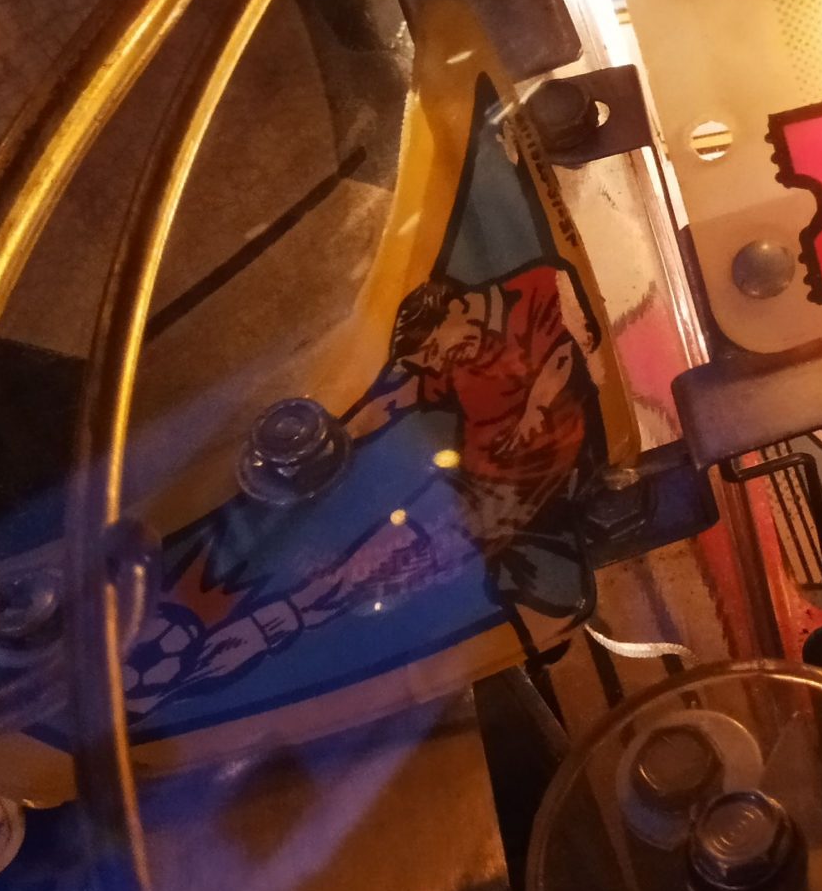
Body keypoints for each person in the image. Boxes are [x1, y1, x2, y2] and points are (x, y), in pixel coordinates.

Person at [124, 262, 602, 717]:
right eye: (428, 360)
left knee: (341, 590)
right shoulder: (458, 355)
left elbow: (576, 345)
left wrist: (537, 406)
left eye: (432, 351)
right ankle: (180, 660)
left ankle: (183, 676)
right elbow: (400, 398)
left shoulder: (539, 288)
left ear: (454, 308)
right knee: (331, 576)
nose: (435, 363)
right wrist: (341, 427)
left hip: (500, 502)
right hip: (466, 484)